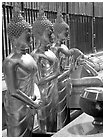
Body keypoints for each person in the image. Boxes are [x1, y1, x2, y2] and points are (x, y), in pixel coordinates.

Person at [3, 4, 41, 136]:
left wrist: (37, 95)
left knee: (29, 131)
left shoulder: (29, 57)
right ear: (14, 39)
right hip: (17, 106)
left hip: (30, 103)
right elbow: (13, 90)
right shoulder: (10, 61)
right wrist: (33, 102)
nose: (31, 39)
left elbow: (34, 79)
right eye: (27, 36)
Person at [31, 6, 59, 133]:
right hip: (42, 93)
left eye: (52, 32)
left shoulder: (52, 53)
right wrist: (55, 75)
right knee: (44, 123)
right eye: (49, 32)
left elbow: (57, 72)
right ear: (38, 34)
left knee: (54, 121)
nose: (52, 35)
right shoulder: (35, 55)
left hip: (53, 91)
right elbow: (36, 81)